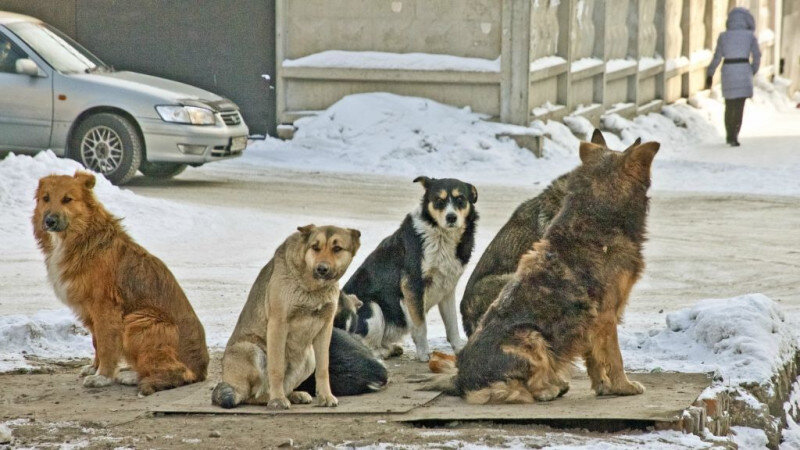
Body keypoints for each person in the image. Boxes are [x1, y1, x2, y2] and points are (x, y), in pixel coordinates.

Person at [706, 7, 761, 147]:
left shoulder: (724, 36)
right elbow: (757, 55)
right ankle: (735, 134)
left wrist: (710, 73)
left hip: (728, 71)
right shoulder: (750, 36)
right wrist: (752, 70)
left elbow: (717, 56)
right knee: (739, 105)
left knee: (729, 105)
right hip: (743, 70)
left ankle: (729, 134)